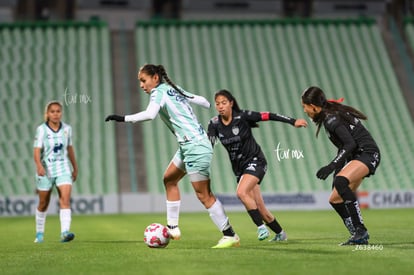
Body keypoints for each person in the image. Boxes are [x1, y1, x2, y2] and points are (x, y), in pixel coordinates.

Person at [105, 64, 240, 248]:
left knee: (204, 195)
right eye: (140, 82)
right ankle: (172, 227)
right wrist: (208, 105)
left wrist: (122, 118)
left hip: (195, 146)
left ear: (155, 78)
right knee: (169, 179)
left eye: (143, 81)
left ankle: (230, 234)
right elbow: (199, 99)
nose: (142, 85)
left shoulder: (158, 92)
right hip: (189, 145)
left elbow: (150, 114)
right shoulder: (172, 89)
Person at [207, 89, 308, 241]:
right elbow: (209, 145)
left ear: (231, 103)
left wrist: (293, 121)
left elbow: (268, 115)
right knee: (260, 208)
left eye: (224, 103)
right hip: (240, 169)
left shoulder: (242, 117)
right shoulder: (214, 124)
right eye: (217, 104)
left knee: (241, 193)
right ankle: (281, 234)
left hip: (256, 161)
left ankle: (261, 228)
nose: (220, 106)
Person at [301, 86, 380, 245]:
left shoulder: (331, 119)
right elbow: (343, 147)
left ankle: (361, 231)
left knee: (340, 182)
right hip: (356, 156)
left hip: (368, 154)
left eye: (305, 106)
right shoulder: (329, 116)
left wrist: (331, 167)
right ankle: (356, 235)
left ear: (314, 107)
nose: (304, 110)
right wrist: (337, 170)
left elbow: (349, 144)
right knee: (335, 199)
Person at [33, 101, 78, 243]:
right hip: (46, 169)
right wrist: (39, 166)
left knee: (65, 199)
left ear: (61, 113)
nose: (55, 114)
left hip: (63, 168)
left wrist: (75, 167)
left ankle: (64, 232)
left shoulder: (67, 129)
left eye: (58, 111)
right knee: (43, 203)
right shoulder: (41, 130)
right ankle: (39, 233)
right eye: (52, 111)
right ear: (47, 114)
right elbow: (36, 150)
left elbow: (69, 148)